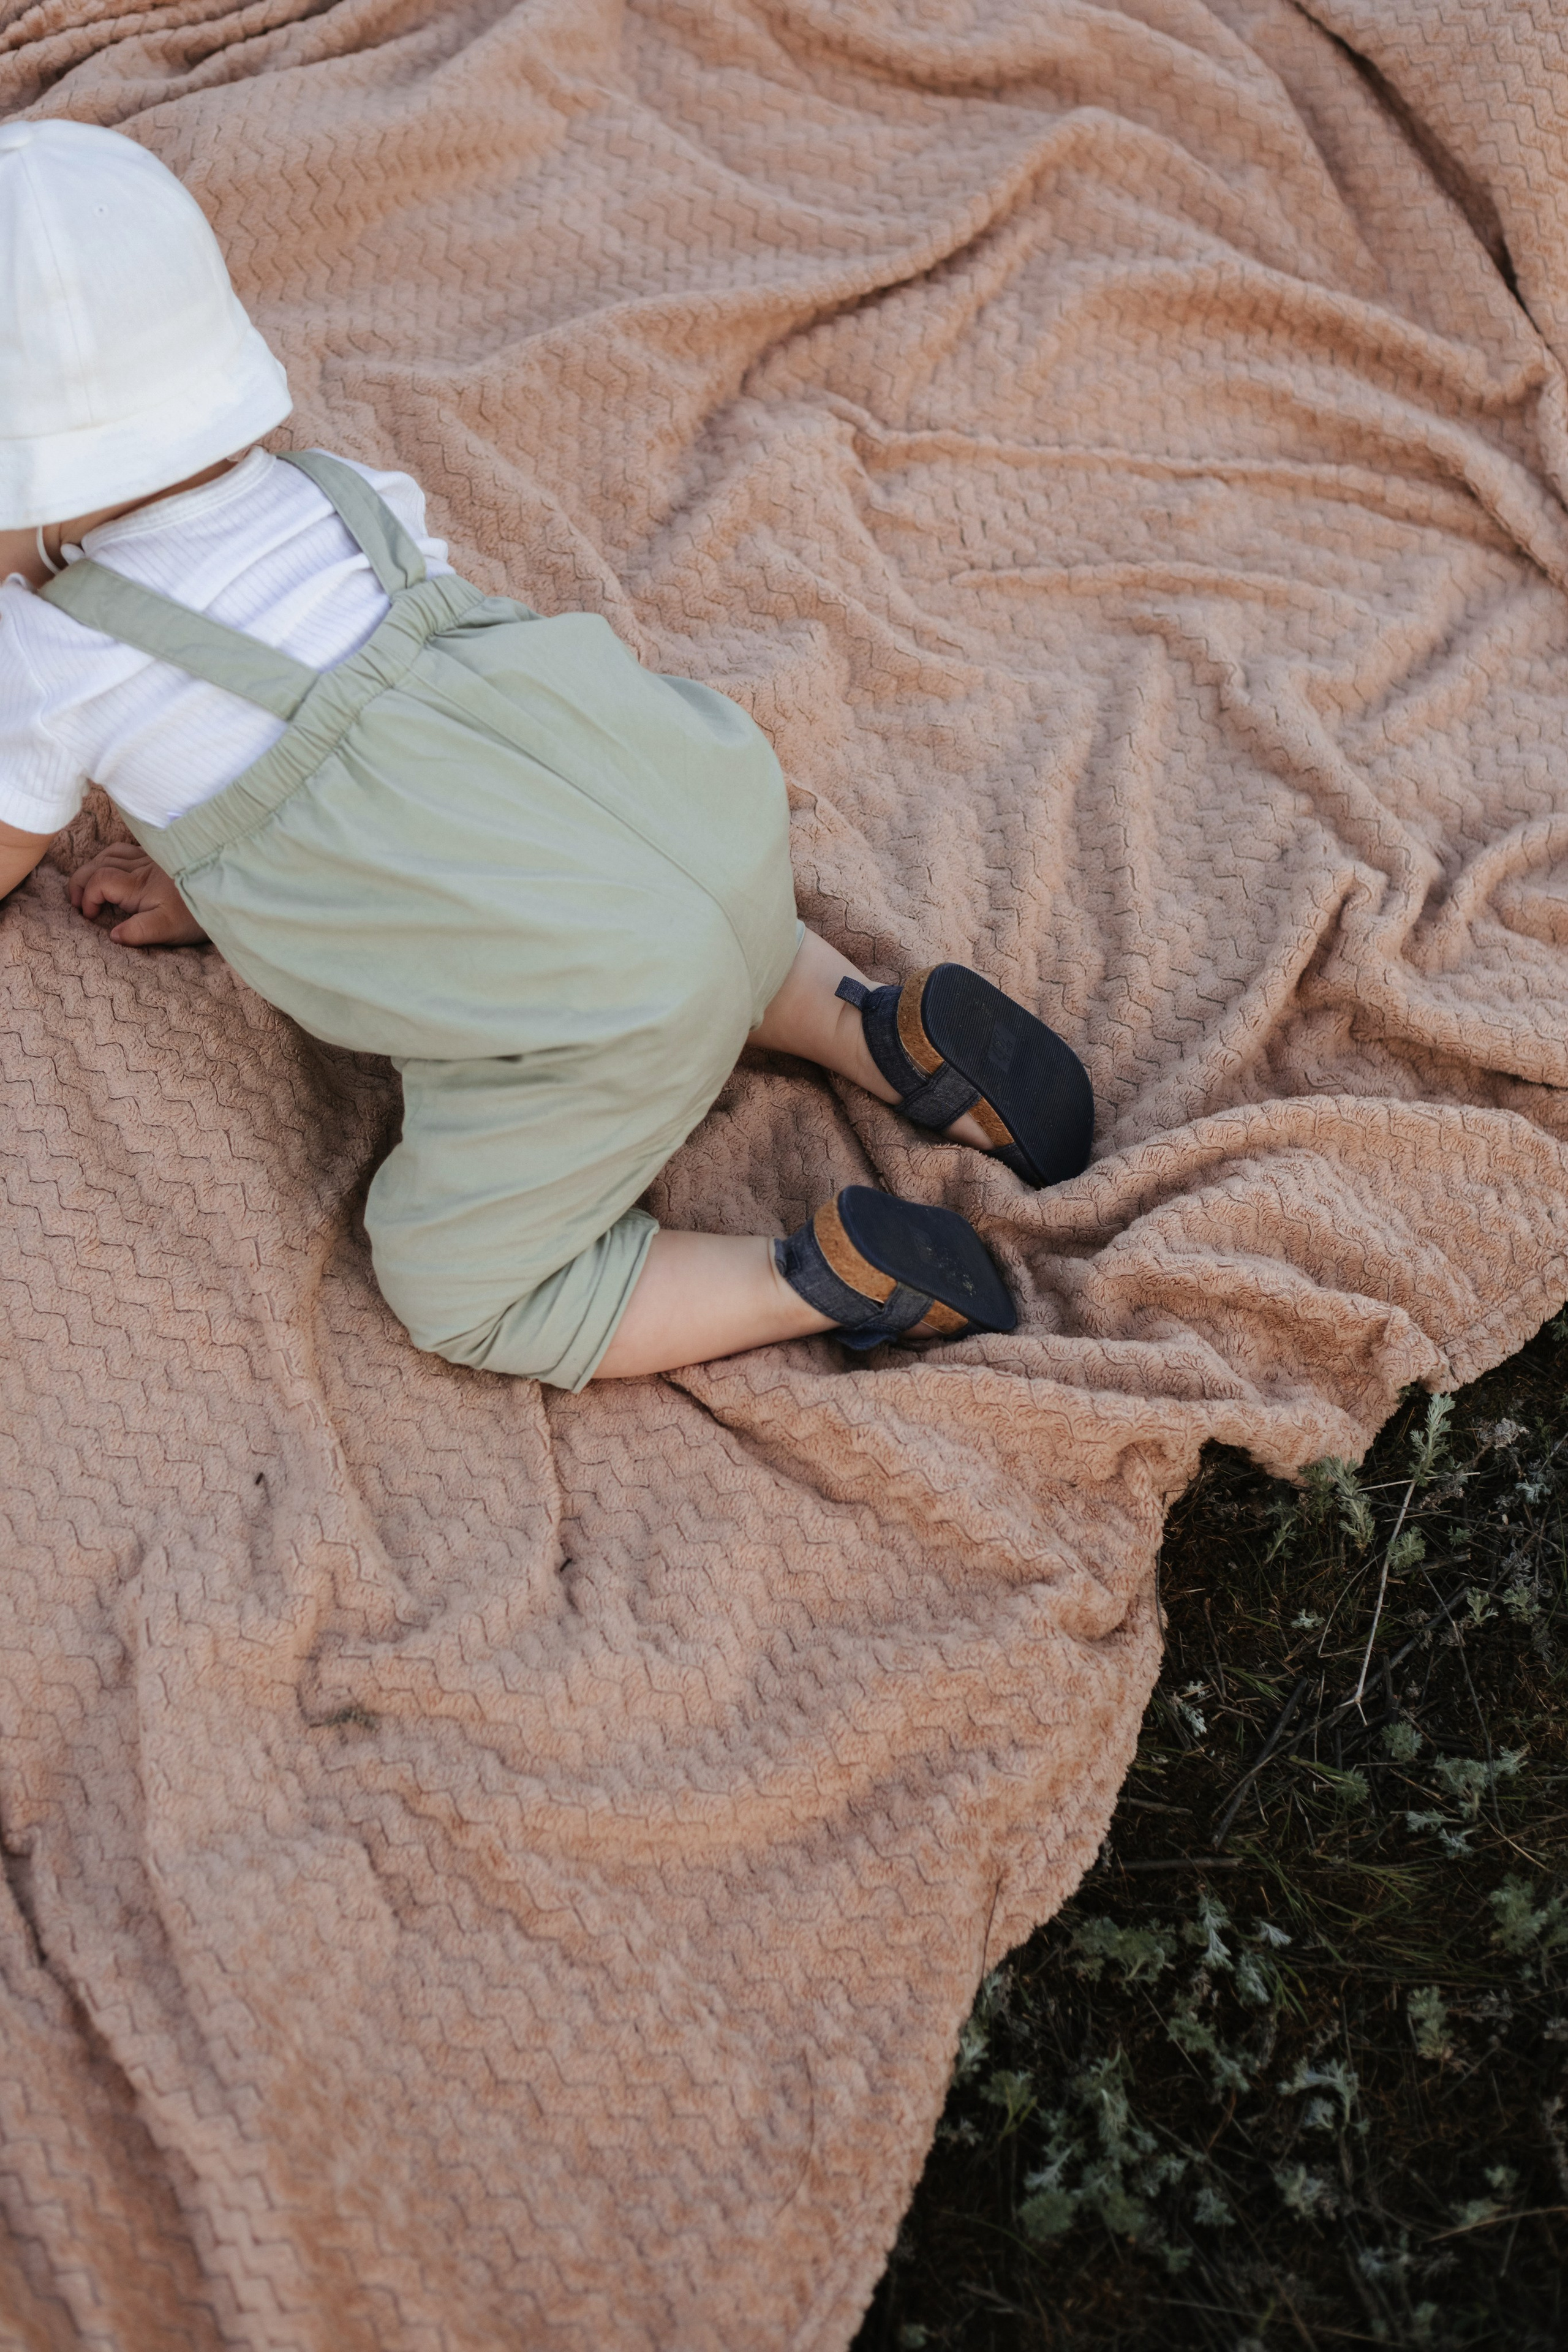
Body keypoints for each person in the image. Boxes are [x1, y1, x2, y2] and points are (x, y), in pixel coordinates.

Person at [0, 120, 1093, 1390]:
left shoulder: (46, 658)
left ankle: (816, 1278)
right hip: (698, 816)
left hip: (588, 1011)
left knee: (456, 1287)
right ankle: (864, 1022)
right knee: (677, 924)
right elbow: (385, 742)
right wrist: (206, 868)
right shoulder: (342, 491)